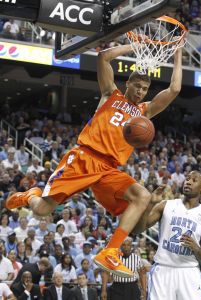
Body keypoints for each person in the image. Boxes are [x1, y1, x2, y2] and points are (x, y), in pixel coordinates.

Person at [6, 41, 183, 277]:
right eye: (137, 86)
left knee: (143, 195)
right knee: (42, 211)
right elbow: (104, 57)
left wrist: (178, 52)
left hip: (109, 169)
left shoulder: (145, 111)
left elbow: (174, 90)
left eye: (144, 89)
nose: (140, 91)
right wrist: (136, 46)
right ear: (128, 83)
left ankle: (110, 251)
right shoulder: (111, 94)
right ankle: (30, 195)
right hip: (84, 158)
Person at [133, 171, 201, 300]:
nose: (188, 181)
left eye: (194, 180)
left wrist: (196, 248)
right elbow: (137, 230)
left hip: (189, 271)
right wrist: (150, 205)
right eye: (187, 178)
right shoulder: (166, 205)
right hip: (163, 269)